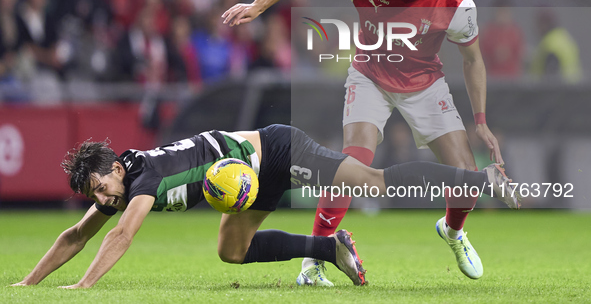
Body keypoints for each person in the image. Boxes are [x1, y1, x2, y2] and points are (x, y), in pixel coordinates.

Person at [222, 0, 504, 284]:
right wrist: (260, 4)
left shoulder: (458, 2)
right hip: (369, 75)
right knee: (352, 166)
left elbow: (472, 60)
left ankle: (453, 232)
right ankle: (313, 262)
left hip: (424, 84)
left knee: (467, 178)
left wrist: (480, 121)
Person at [11, 124, 519, 289]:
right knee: (233, 251)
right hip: (246, 176)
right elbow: (77, 235)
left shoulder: (142, 178)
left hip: (276, 150)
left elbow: (121, 236)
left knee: (370, 181)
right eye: (96, 196)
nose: (103, 201)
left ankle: (474, 179)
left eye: (102, 189)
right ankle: (330, 247)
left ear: (116, 170)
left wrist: (82, 287)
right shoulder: (122, 180)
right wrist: (30, 285)